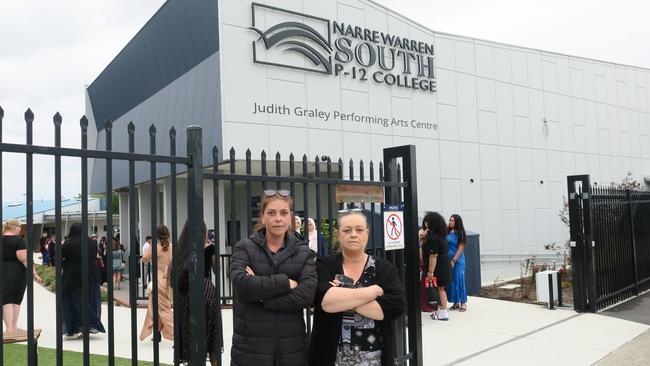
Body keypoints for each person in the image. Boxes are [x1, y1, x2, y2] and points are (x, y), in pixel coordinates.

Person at [230, 189, 317, 366]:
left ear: (290, 217)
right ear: (262, 217)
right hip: (250, 350)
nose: (278, 218)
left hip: (291, 350)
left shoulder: (304, 252)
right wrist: (286, 282)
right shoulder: (244, 248)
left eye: (284, 213)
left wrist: (262, 298)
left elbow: (306, 295)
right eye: (271, 213)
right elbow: (242, 286)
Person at [309, 209, 405, 366]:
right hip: (329, 358)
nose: (353, 234)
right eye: (347, 230)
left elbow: (395, 307)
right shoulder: (324, 265)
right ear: (339, 235)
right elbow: (325, 302)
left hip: (374, 360)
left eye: (359, 230)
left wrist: (343, 296)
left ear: (366, 233)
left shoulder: (383, 268)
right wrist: (371, 292)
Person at [169, 221, 221, 365]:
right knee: (212, 337)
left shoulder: (181, 250)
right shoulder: (209, 248)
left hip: (185, 296)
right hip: (206, 292)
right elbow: (217, 270)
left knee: (189, 338)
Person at [61, 223, 105, 339]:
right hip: (91, 275)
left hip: (73, 277)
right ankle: (89, 325)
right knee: (90, 301)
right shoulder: (91, 242)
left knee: (72, 302)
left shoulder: (69, 243)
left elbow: (58, 257)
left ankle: (74, 328)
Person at [2, 219, 41, 333]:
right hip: (16, 271)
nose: (20, 228)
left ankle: (11, 327)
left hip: (3, 270)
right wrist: (34, 273)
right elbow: (24, 260)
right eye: (19, 226)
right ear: (14, 227)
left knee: (6, 299)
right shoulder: (19, 241)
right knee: (14, 299)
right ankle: (11, 327)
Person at [140, 225, 174, 341]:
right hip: (169, 280)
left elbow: (144, 259)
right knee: (159, 307)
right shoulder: (173, 247)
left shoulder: (155, 248)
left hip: (158, 280)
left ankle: (176, 333)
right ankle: (157, 333)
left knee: (162, 309)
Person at [421, 212, 451, 321]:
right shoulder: (441, 235)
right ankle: (440, 310)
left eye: (427, 222)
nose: (425, 224)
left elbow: (433, 256)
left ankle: (443, 312)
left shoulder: (433, 238)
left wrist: (430, 271)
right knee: (441, 289)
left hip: (438, 267)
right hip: (443, 265)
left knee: (440, 289)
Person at [447, 214, 468, 312]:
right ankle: (455, 302)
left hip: (458, 260)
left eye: (452, 221)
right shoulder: (447, 232)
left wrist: (454, 260)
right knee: (452, 281)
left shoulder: (461, 233)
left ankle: (463, 302)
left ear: (457, 222)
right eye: (450, 220)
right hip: (449, 260)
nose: (450, 222)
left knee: (459, 280)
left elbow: (460, 249)